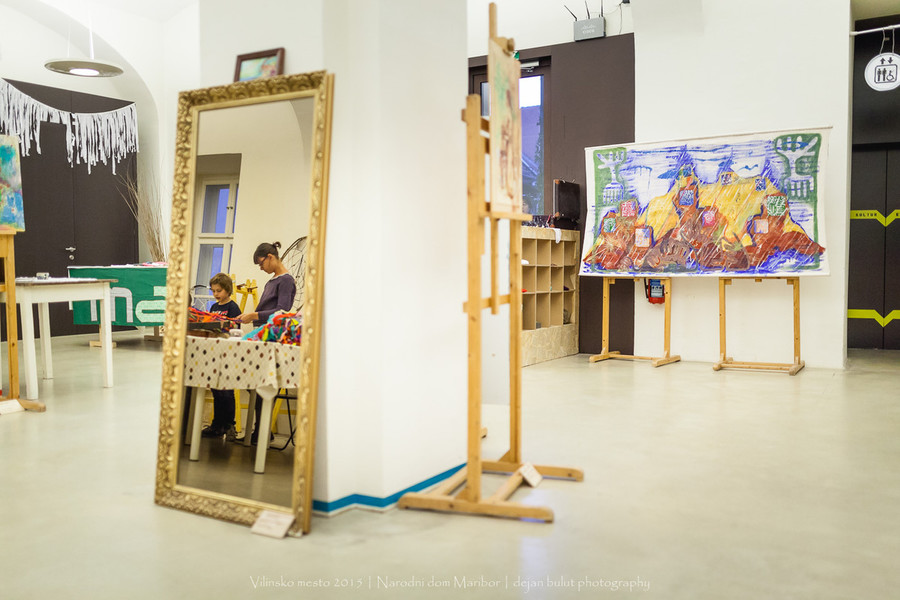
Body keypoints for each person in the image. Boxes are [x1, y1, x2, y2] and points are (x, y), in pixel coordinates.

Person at [236, 242, 296, 444]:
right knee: (254, 382)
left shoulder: (286, 281)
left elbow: (282, 311)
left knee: (262, 384)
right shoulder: (273, 281)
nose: (261, 268)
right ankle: (261, 431)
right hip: (262, 335)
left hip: (271, 337)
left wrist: (254, 314)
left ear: (270, 257)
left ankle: (262, 432)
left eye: (261, 263)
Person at [201, 273, 242, 440]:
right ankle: (217, 424)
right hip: (214, 352)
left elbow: (236, 329)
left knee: (227, 391)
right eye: (213, 291)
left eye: (219, 290)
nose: (216, 294)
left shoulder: (233, 308)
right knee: (216, 390)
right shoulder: (213, 307)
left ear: (227, 290)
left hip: (228, 353)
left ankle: (230, 425)